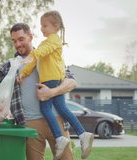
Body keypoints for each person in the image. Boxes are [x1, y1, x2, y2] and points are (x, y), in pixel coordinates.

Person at [0, 22, 76, 160]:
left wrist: (51, 93)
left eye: (21, 39)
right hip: (29, 123)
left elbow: (71, 82)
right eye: (14, 41)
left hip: (56, 119)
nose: (17, 44)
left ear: (30, 37)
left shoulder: (47, 55)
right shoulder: (12, 65)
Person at [18, 10, 94, 159]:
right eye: (41, 25)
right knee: (62, 108)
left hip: (51, 79)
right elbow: (34, 62)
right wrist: (23, 74)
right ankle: (83, 134)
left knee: (45, 108)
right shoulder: (45, 42)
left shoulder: (54, 40)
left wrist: (33, 54)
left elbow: (40, 53)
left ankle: (60, 138)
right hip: (53, 78)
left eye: (45, 25)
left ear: (55, 26)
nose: (42, 28)